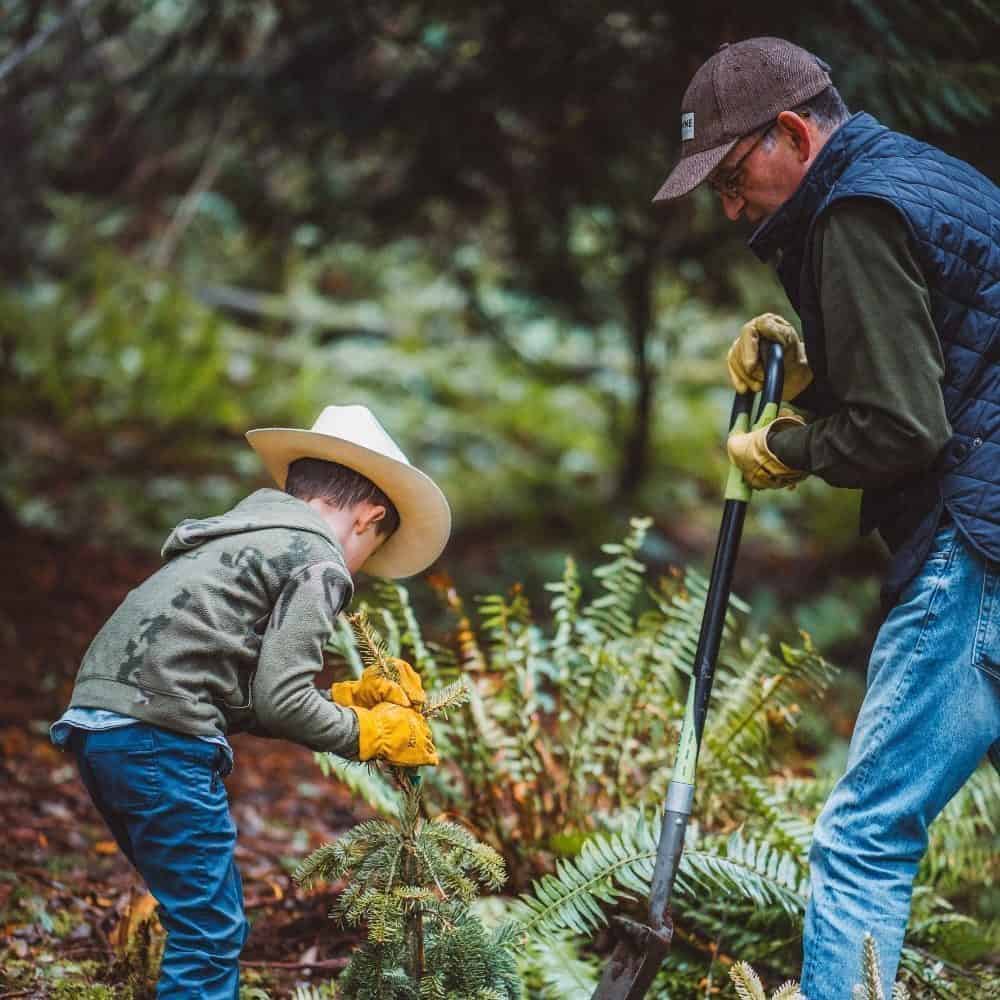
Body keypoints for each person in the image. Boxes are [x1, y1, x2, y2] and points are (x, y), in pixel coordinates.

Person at [653, 36, 1000, 999]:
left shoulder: (854, 210)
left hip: (976, 540)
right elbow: (959, 347)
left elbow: (902, 427)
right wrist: (812, 368)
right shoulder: (925, 176)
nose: (730, 208)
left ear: (793, 134)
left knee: (863, 839)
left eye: (731, 176)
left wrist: (785, 447)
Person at [50, 404, 452, 999]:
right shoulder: (319, 559)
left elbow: (220, 674)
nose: (358, 572)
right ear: (368, 519)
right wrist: (369, 732)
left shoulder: (240, 536)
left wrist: (344, 698)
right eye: (372, 551)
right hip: (162, 740)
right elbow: (283, 700)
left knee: (196, 909)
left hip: (99, 728)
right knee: (210, 929)